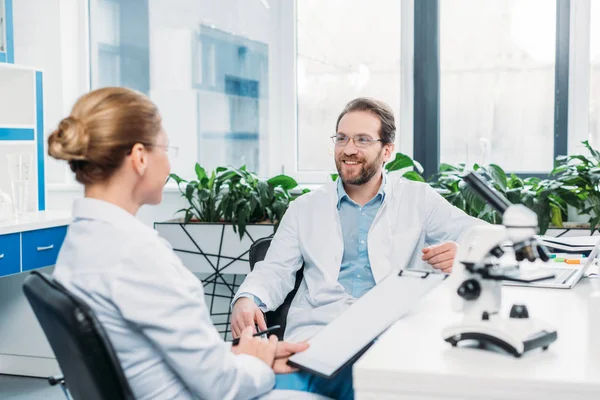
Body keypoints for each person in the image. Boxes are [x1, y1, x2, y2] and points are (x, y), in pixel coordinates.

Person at [48, 87, 311, 400]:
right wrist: (259, 363)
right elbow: (222, 387)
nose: (169, 164)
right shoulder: (138, 255)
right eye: (166, 148)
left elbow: (157, 356)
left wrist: (245, 356)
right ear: (140, 157)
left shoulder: (82, 241)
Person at [230, 97, 486, 399]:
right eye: (342, 138)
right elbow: (275, 270)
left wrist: (464, 251)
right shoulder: (304, 208)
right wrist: (248, 298)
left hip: (387, 338)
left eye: (362, 140)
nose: (348, 149)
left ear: (387, 150)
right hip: (316, 340)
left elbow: (478, 233)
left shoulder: (419, 200)